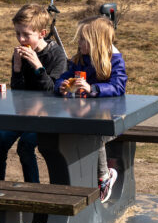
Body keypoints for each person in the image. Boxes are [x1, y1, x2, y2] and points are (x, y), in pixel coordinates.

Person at [0, 3, 67, 183]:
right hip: (24, 112)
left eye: (26, 34)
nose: (21, 39)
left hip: (49, 114)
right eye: (17, 33)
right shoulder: (19, 54)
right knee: (0, 141)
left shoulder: (57, 55)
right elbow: (18, 91)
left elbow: (53, 91)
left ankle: (32, 188)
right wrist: (17, 68)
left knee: (25, 144)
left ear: (42, 33)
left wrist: (38, 67)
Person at [54, 15, 127, 202]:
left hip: (111, 119)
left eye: (82, 39)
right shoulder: (80, 59)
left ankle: (104, 177)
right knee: (66, 138)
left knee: (95, 135)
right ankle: (76, 183)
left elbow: (118, 86)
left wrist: (93, 88)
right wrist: (61, 85)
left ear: (96, 41)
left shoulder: (114, 59)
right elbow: (64, 76)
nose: (78, 43)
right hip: (84, 115)